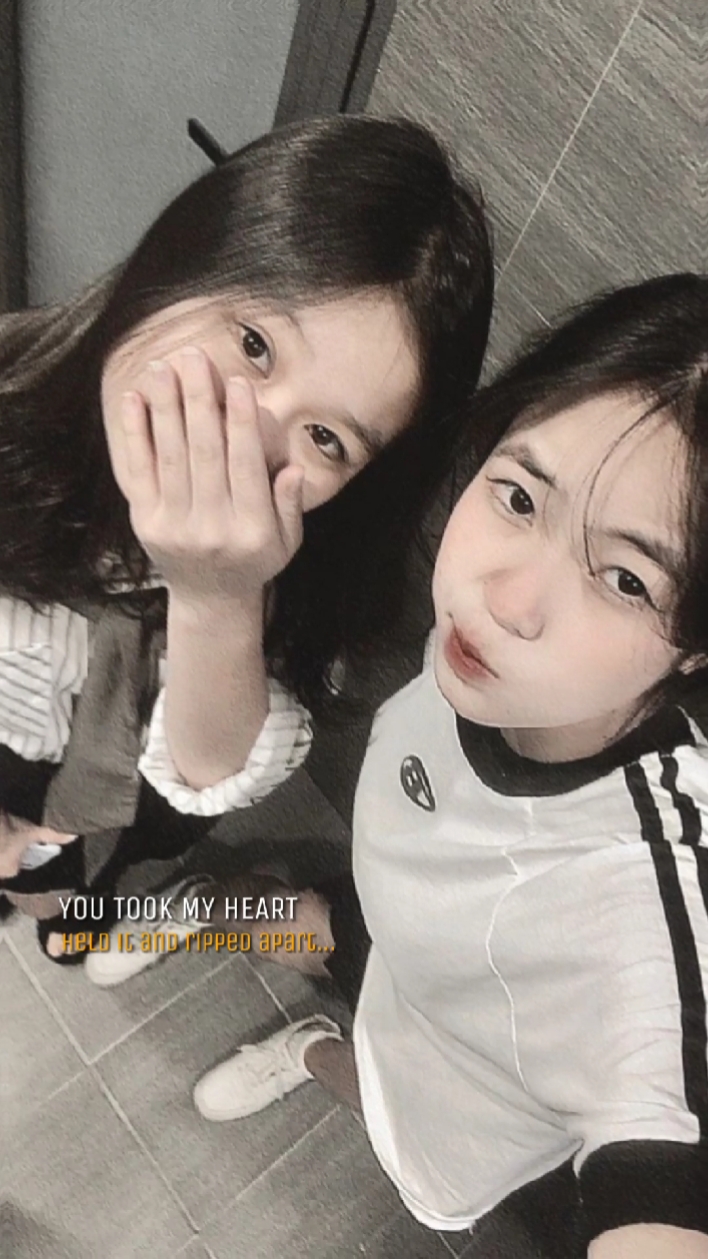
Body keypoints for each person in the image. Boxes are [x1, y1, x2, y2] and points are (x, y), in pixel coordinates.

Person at [192, 273, 708, 1258]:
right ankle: (185, 909)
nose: (505, 598)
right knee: (271, 918)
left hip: (458, 1096)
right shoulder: (482, 663)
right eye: (519, 495)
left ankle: (313, 1049)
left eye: (625, 577)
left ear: (695, 646)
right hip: (391, 928)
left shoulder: (645, 908)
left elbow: (663, 1145)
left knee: (395, 1130)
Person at [0, 114, 494, 960]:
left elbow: (210, 772)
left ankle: (138, 912)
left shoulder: (290, 581)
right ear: (179, 262)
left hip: (123, 808)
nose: (250, 440)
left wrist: (214, 598)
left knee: (83, 906)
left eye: (326, 438)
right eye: (255, 344)